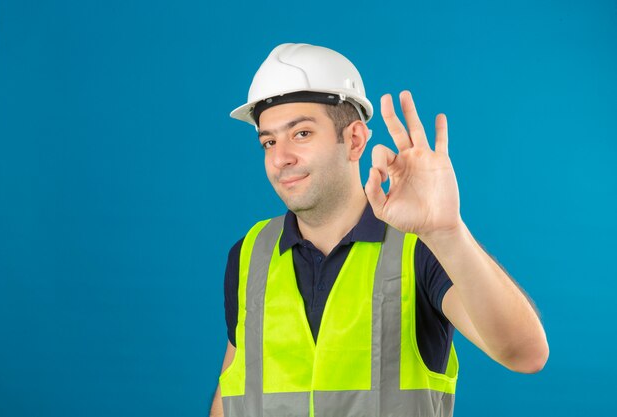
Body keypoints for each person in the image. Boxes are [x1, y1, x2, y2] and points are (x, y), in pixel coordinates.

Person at [209, 43, 548, 417]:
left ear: (354, 139)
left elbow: (526, 354)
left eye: (301, 134)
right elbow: (234, 391)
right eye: (268, 141)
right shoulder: (249, 253)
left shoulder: (420, 247)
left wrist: (448, 232)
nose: (279, 158)